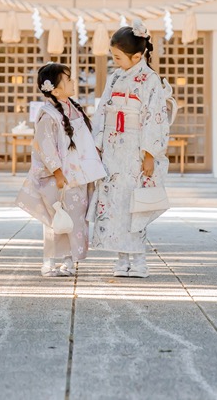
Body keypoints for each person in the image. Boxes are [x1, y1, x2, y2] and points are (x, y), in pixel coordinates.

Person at [90, 21, 175, 278]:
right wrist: (99, 145)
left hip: (137, 149)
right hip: (114, 149)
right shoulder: (115, 77)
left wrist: (150, 154)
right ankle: (121, 259)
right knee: (115, 203)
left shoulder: (150, 80)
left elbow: (155, 118)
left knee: (135, 205)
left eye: (118, 57)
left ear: (137, 56)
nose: (114, 61)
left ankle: (139, 261)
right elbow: (103, 110)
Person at [16, 62, 106, 277]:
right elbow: (45, 145)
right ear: (55, 90)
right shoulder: (48, 114)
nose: (73, 82)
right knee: (56, 220)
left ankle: (69, 261)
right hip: (60, 177)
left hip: (78, 175)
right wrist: (57, 172)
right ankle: (49, 261)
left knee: (76, 219)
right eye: (68, 79)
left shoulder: (73, 108)